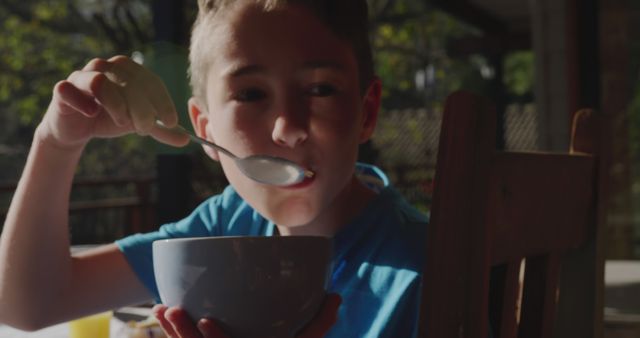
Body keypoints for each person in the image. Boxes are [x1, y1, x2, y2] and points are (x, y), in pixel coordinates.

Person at [0, 0, 428, 337]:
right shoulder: (226, 226)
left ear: (366, 111)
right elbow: (28, 304)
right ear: (205, 127)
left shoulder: (429, 269)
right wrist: (57, 142)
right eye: (251, 94)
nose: (288, 128)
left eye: (320, 89)